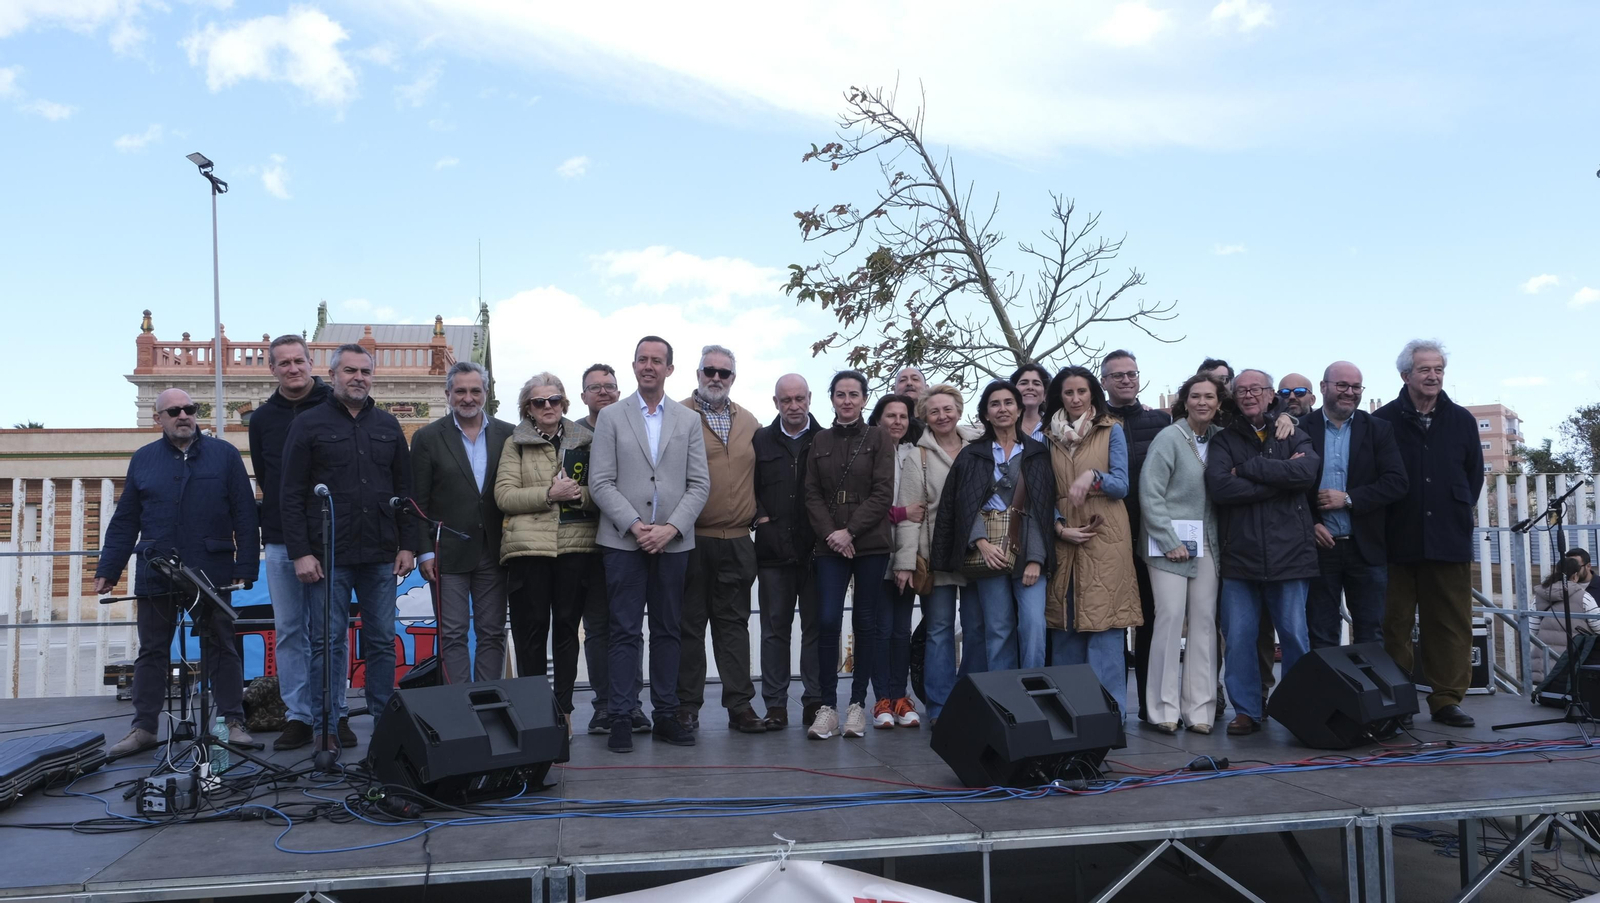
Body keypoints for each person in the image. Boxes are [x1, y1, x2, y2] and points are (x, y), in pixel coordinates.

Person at [99, 389, 260, 758]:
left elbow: (245, 515)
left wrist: (246, 567)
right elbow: (126, 519)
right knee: (152, 651)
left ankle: (232, 722)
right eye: (174, 411)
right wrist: (110, 568)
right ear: (159, 418)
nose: (184, 415)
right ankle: (144, 728)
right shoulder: (143, 459)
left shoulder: (225, 455)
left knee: (221, 646)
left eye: (191, 409)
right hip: (156, 569)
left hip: (212, 570)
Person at [281, 343, 418, 752]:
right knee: (327, 642)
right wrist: (300, 552)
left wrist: (408, 544)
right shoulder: (308, 424)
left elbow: (405, 490)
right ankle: (327, 723)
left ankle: (383, 723)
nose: (358, 377)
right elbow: (290, 494)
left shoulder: (389, 425)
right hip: (327, 556)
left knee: (380, 640)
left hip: (379, 554)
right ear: (333, 374)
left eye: (365, 371)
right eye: (350, 371)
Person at [589, 336, 709, 752]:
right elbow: (599, 482)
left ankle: (666, 715)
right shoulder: (611, 417)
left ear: (670, 369)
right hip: (624, 542)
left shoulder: (687, 420)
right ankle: (621, 716)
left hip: (673, 543)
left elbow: (699, 485)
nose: (649, 366)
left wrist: (670, 528)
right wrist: (637, 526)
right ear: (634, 366)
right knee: (623, 631)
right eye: (642, 359)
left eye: (657, 361)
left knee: (668, 630)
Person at [1374, 339, 1484, 728]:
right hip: (1396, 538)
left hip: (1448, 538)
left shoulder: (1463, 420)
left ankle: (1446, 700)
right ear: (1406, 375)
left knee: (1451, 624)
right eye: (1425, 369)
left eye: (1438, 369)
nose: (1433, 375)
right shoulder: (1382, 420)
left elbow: (1473, 476)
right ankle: (1396, 700)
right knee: (1393, 624)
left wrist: (1452, 510)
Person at [1205, 368, 1320, 735]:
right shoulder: (1224, 441)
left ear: (1272, 395)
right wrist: (1278, 480)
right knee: (1238, 638)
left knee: (1295, 637)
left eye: (1256, 389)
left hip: (1290, 556)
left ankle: (1302, 707)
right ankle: (1247, 711)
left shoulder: (1293, 431)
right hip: (1240, 556)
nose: (1249, 395)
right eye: (1242, 391)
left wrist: (1251, 469)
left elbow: (1305, 475)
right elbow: (1221, 488)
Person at [929, 381, 1055, 672]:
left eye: (1008, 402)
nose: (1002, 409)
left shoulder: (1037, 453)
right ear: (985, 413)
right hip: (987, 551)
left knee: (1034, 625)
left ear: (1019, 408)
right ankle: (1004, 704)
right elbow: (962, 503)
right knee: (998, 630)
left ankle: (1033, 690)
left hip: (1028, 550)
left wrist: (1037, 558)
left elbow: (1042, 508)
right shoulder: (972, 455)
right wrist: (981, 544)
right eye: (995, 404)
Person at [495, 372, 598, 724]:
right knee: (531, 631)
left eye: (554, 400)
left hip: (574, 547)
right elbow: (504, 496)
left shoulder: (586, 440)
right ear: (528, 408)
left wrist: (578, 495)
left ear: (564, 403)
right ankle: (535, 712)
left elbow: (602, 492)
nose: (548, 406)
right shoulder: (515, 442)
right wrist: (548, 495)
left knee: (568, 630)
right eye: (540, 402)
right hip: (529, 550)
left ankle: (564, 711)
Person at [247, 335, 332, 751]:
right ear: (272, 369)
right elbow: (267, 479)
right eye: (285, 363)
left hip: (332, 537)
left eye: (300, 361)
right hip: (281, 538)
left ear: (311, 362)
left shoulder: (335, 406)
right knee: (289, 630)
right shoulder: (261, 419)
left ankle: (333, 715)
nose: (293, 369)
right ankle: (299, 715)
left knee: (329, 632)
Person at [803, 370, 896, 740]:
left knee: (865, 621)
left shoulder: (878, 437)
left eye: (853, 394)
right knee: (827, 620)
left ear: (863, 398)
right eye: (840, 394)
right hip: (829, 544)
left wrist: (850, 531)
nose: (846, 400)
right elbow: (811, 493)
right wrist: (831, 534)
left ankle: (857, 704)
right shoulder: (820, 440)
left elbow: (882, 492)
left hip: (869, 541)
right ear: (831, 399)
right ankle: (828, 707)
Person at [677, 345, 764, 734]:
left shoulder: (749, 421)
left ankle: (740, 706)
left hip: (738, 541)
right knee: (689, 626)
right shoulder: (677, 415)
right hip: (689, 539)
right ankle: (686, 707)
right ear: (697, 373)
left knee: (734, 626)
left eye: (723, 373)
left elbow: (763, 474)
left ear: (733, 378)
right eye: (709, 370)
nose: (716, 378)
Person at [1043, 366, 1139, 715]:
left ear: (1092, 394)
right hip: (1064, 540)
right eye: (1068, 393)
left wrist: (1093, 476)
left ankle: (1111, 718)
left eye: (1082, 392)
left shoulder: (1110, 429)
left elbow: (1122, 485)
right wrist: (1057, 526)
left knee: (1105, 628)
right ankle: (1069, 717)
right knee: (1065, 626)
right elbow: (1043, 493)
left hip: (1105, 539)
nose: (1076, 399)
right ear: (1060, 396)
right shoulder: (1046, 435)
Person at [411, 362, 514, 686]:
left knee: (492, 632)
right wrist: (425, 553)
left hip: (495, 550)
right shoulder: (427, 437)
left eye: (475, 391)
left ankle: (488, 701)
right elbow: (418, 501)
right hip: (447, 552)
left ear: (485, 393)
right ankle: (460, 705)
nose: (468, 398)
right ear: (448, 394)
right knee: (452, 633)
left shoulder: (508, 434)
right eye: (461, 391)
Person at [893, 384, 983, 725]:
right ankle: (940, 708)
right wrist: (905, 562)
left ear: (959, 410)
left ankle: (970, 700)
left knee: (977, 629)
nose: (942, 416)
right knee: (939, 630)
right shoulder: (919, 456)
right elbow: (910, 513)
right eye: (934, 411)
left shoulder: (978, 446)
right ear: (925, 417)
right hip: (936, 555)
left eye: (948, 409)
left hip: (976, 553)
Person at [1302, 362, 1408, 649]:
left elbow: (1397, 482)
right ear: (1323, 387)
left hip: (1367, 549)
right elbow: (1288, 489)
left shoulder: (1378, 429)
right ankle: (1331, 694)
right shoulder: (1302, 429)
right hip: (1319, 549)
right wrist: (1310, 523)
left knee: (1371, 635)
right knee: (1321, 634)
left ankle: (1370, 694)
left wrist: (1348, 499)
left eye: (1356, 387)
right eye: (1342, 385)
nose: (1349, 392)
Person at [1140, 374, 1224, 733]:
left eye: (1209, 396)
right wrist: (1168, 537)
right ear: (1184, 401)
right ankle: (1163, 710)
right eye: (1195, 396)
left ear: (1220, 403)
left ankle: (1201, 711)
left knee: (1205, 622)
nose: (1202, 402)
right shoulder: (1169, 438)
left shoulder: (1223, 440)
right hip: (1167, 543)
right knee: (1170, 618)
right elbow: (1150, 492)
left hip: (1208, 541)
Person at [574, 363, 646, 734]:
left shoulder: (636, 426)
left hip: (630, 542)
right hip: (586, 546)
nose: (603, 392)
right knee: (599, 628)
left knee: (630, 628)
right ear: (582, 395)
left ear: (619, 391)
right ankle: (605, 705)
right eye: (595, 387)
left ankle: (631, 704)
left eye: (609, 386)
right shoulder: (572, 436)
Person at [1101, 349, 1171, 724]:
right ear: (1104, 382)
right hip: (1108, 537)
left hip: (1151, 536)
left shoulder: (1162, 422)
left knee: (1151, 621)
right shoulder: (1093, 423)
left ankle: (1151, 706)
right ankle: (1108, 709)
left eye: (1131, 374)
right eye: (1118, 375)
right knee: (1109, 623)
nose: (1126, 380)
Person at [753, 374, 824, 729]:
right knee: (774, 631)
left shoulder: (825, 439)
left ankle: (813, 702)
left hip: (816, 552)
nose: (793, 406)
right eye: (786, 400)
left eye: (799, 399)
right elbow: (746, 487)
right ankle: (776, 706)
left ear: (809, 398)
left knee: (814, 629)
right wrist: (761, 519)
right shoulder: (760, 440)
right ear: (775, 402)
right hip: (772, 553)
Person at [868, 393, 921, 728]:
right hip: (874, 552)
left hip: (908, 552)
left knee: (902, 630)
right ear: (878, 419)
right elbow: (862, 506)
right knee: (881, 629)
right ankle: (882, 700)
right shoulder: (867, 452)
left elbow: (922, 506)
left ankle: (901, 697)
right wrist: (900, 512)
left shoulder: (914, 454)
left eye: (903, 416)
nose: (898, 421)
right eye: (891, 415)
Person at [1532, 549, 1599, 683]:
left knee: (1549, 698)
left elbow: (1531, 631)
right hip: (1577, 662)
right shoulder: (1584, 597)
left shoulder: (1539, 596)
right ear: (1574, 576)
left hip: (1545, 664)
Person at [1011, 363, 1052, 442]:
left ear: (1045, 395)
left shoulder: (1055, 426)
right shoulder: (1003, 426)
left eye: (1036, 384)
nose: (1030, 387)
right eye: (1023, 383)